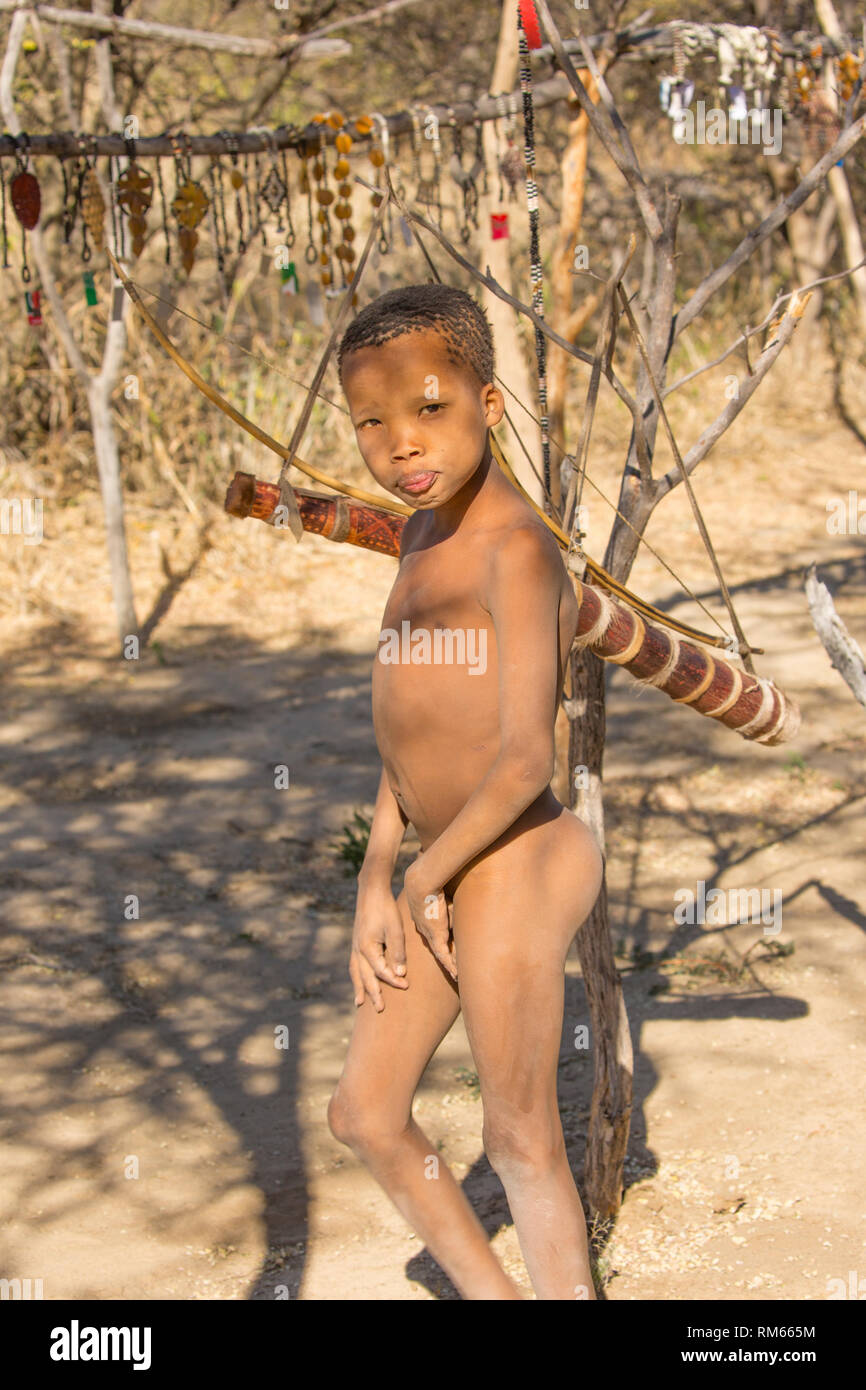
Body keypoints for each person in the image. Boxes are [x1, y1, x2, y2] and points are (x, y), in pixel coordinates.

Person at [326, 283, 604, 1300]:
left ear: (488, 405)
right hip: (431, 864)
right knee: (362, 1109)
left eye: (428, 409)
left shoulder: (517, 550)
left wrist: (426, 878)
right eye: (371, 422)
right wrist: (379, 872)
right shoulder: (415, 536)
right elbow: (409, 733)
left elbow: (524, 757)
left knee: (517, 1130)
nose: (400, 445)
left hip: (520, 851)